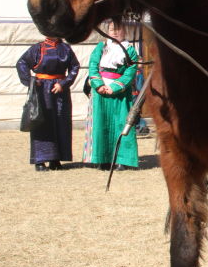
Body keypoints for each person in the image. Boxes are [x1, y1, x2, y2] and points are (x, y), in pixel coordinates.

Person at [82, 20, 139, 170]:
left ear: (124, 31)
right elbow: (93, 66)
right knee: (101, 125)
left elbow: (130, 71)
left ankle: (122, 160)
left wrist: (114, 87)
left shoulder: (130, 50)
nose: (115, 32)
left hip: (120, 93)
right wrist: (99, 85)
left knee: (121, 123)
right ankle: (102, 159)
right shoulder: (101, 47)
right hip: (100, 92)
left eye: (118, 29)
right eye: (112, 29)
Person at [16, 36, 80, 171]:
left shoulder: (65, 48)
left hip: (60, 91)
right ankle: (39, 161)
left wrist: (64, 83)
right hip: (41, 90)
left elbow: (75, 66)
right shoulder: (37, 48)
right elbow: (21, 63)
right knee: (41, 123)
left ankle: (55, 160)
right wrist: (32, 81)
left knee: (60, 123)